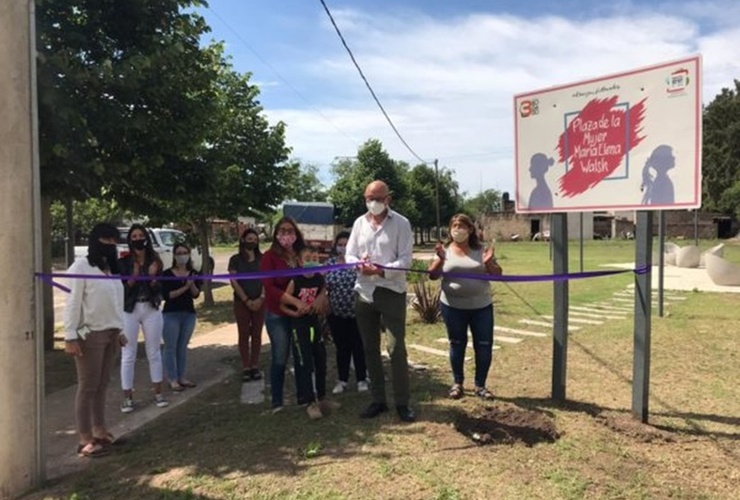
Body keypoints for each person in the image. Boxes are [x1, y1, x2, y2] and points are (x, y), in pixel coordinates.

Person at [345, 180, 416, 422]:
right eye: (368, 198)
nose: (372, 203)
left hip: (390, 290)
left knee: (396, 349)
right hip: (364, 291)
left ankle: (402, 403)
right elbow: (349, 253)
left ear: (388, 199)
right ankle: (378, 400)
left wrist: (380, 270)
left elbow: (406, 260)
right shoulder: (359, 223)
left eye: (377, 198)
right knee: (369, 349)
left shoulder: (401, 224)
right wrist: (359, 265)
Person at [63, 222, 126, 457]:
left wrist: (120, 331)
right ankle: (84, 439)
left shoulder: (111, 269)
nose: (111, 245)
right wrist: (70, 336)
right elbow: (73, 302)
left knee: (102, 384)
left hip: (111, 332)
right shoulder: (81, 266)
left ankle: (100, 431)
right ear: (95, 241)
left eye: (114, 240)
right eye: (106, 240)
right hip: (90, 334)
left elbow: (115, 302)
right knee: (87, 386)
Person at [428, 213, 502, 400]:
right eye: (454, 225)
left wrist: (489, 262)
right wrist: (440, 258)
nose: (457, 229)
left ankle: (480, 386)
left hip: (481, 306)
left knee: (484, 345)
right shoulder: (445, 250)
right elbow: (433, 275)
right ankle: (458, 383)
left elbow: (497, 275)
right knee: (457, 344)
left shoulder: (481, 250)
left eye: (461, 226)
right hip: (452, 307)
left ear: (470, 229)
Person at [261, 217, 328, 412]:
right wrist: (294, 302)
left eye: (290, 230)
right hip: (278, 314)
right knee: (280, 356)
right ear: (276, 234)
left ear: (296, 233)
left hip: (304, 315)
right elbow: (269, 286)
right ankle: (277, 401)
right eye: (282, 230)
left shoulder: (304, 255)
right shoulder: (269, 257)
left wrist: (320, 297)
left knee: (302, 356)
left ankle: (304, 396)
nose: (286, 234)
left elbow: (318, 278)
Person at [118, 223, 169, 412]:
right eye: (134, 236)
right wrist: (134, 277)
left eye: (141, 235)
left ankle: (158, 393)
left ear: (145, 238)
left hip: (151, 307)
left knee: (154, 352)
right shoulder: (123, 262)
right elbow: (121, 288)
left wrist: (152, 277)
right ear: (130, 240)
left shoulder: (155, 260)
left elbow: (160, 287)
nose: (138, 239)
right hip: (130, 309)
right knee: (128, 353)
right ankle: (127, 397)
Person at [280, 246, 328, 419]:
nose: (312, 261)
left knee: (321, 360)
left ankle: (322, 397)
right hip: (299, 327)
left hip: (315, 325)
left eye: (315, 257)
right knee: (305, 363)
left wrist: (321, 301)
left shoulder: (319, 278)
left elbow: (324, 292)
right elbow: (282, 303)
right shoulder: (295, 280)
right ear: (300, 262)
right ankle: (310, 402)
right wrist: (295, 313)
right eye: (308, 258)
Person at [325, 231, 368, 394]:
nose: (343, 247)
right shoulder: (330, 264)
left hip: (357, 313)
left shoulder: (357, 264)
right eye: (340, 244)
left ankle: (361, 379)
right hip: (336, 315)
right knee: (342, 348)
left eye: (346, 244)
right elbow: (323, 286)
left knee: (358, 347)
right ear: (335, 246)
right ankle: (342, 380)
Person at [161, 242, 201, 392]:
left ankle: (181, 376)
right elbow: (168, 295)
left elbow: (196, 294)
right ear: (174, 255)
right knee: (170, 347)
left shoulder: (194, 273)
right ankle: (172, 378)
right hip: (171, 314)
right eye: (179, 253)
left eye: (185, 252)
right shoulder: (167, 274)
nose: (182, 255)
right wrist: (185, 286)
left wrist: (191, 284)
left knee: (182, 346)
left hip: (188, 314)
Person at [228, 228, 265, 382]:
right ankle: (246, 367)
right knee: (243, 334)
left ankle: (255, 365)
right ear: (243, 240)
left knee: (257, 334)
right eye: (249, 239)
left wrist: (261, 298)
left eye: (255, 240)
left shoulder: (262, 258)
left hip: (260, 301)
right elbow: (233, 280)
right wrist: (246, 300)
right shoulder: (235, 259)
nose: (252, 242)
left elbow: (267, 279)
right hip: (241, 302)